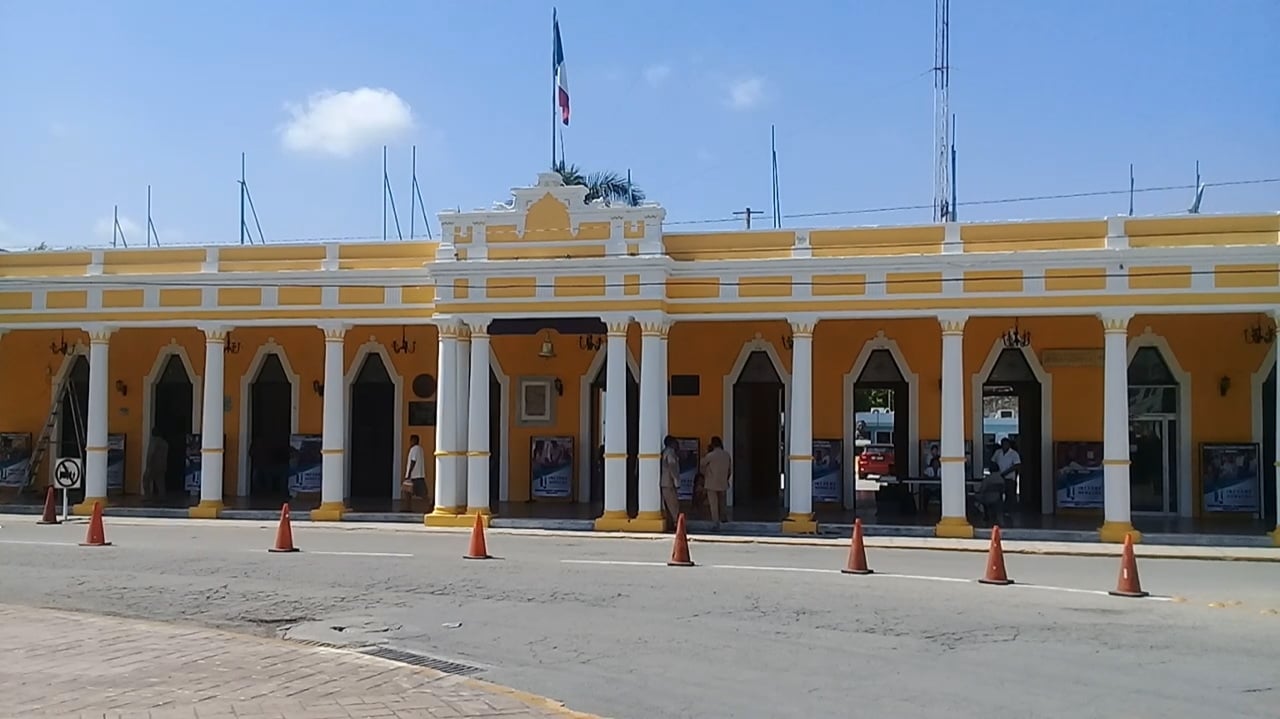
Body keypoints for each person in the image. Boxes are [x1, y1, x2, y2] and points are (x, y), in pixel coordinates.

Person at [699, 436, 732, 530]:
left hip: (711, 483)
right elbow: (730, 470)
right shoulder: (726, 455)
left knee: (713, 504)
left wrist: (706, 452)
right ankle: (724, 518)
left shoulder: (711, 455)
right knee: (722, 503)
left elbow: (702, 463)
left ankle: (715, 522)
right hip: (723, 482)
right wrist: (726, 479)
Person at [991, 437, 1022, 520]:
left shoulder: (1014, 453)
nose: (1004, 445)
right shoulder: (998, 452)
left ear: (1009, 444)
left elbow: (1017, 465)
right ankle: (998, 511)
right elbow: (993, 462)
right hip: (998, 477)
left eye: (1006, 444)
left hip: (1009, 477)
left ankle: (1008, 511)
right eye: (1003, 444)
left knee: (1010, 495)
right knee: (998, 494)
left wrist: (1006, 472)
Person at [660, 435, 681, 531]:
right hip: (669, 483)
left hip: (665, 482)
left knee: (669, 506)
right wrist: (676, 481)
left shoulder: (665, 452)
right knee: (673, 505)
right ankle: (678, 525)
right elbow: (672, 467)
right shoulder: (670, 452)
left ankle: (671, 524)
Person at [402, 434, 427, 510]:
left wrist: (409, 473)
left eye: (411, 440)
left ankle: (429, 506)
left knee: (420, 493)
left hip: (414, 475)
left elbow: (413, 461)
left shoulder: (414, 449)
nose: (410, 442)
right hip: (419, 474)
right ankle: (407, 508)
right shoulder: (420, 449)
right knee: (408, 492)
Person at [143, 427, 168, 498]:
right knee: (160, 483)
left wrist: (148, 465)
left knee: (146, 480)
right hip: (162, 465)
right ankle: (162, 497)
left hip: (153, 465)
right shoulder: (165, 443)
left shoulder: (154, 441)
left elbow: (151, 453)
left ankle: (147, 496)